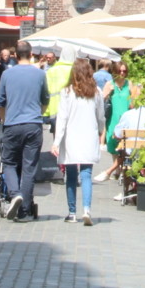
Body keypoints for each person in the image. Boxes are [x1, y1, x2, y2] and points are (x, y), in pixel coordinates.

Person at [0, 40, 50, 222]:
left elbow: (0, 102)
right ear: (31, 54)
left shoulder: (7, 74)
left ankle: (15, 193)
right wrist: (38, 114)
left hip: (12, 124)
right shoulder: (40, 74)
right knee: (29, 168)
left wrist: (5, 119)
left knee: (9, 162)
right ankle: (25, 211)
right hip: (33, 125)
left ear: (15, 55)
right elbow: (45, 100)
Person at [52, 59, 106, 225]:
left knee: (71, 176)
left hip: (71, 138)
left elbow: (62, 117)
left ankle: (72, 212)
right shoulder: (96, 91)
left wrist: (56, 141)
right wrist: (99, 130)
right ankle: (87, 210)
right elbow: (101, 116)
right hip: (89, 136)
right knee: (87, 174)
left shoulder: (67, 91)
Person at [95, 61, 132, 183]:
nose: (122, 73)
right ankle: (117, 169)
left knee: (126, 145)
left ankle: (121, 170)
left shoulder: (130, 84)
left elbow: (134, 103)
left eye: (124, 71)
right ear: (115, 71)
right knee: (113, 145)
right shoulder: (109, 84)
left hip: (126, 119)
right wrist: (107, 93)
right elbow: (100, 100)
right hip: (113, 118)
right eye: (120, 71)